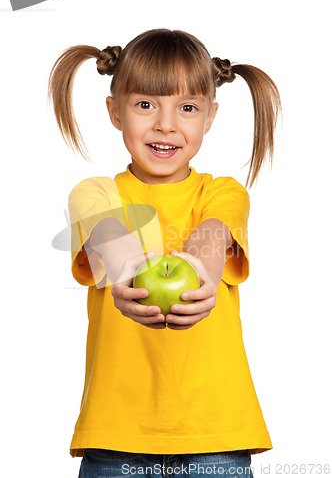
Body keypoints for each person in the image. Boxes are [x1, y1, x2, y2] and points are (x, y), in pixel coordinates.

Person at [49, 29, 281, 478]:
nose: (165, 124)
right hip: (116, 439)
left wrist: (197, 272)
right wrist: (129, 273)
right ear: (115, 112)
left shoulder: (222, 193)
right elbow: (111, 236)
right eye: (145, 104)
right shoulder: (96, 193)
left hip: (217, 438)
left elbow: (212, 237)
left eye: (188, 108)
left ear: (210, 117)